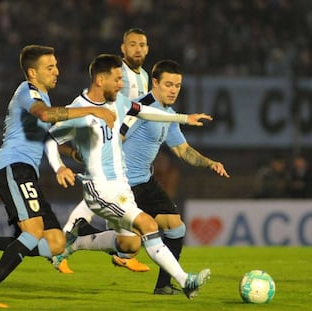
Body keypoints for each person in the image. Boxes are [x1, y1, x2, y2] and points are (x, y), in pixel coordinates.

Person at [0, 45, 116, 308]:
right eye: (49, 67)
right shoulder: (27, 91)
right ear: (32, 72)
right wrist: (91, 110)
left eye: (56, 66)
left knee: (55, 242)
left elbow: (45, 136)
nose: (56, 71)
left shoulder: (43, 97)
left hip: (26, 171)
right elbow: (45, 115)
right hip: (12, 167)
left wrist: (73, 156)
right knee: (33, 232)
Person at [53, 59, 230, 295]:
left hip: (144, 182)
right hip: (121, 184)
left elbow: (182, 150)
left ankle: (164, 286)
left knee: (173, 228)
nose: (173, 90)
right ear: (154, 83)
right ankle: (73, 240)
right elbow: (117, 136)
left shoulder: (167, 114)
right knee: (133, 242)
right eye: (168, 84)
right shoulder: (138, 107)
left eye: (177, 85)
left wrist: (210, 163)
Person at [59, 27, 151, 273]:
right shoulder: (118, 75)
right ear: (123, 49)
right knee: (102, 195)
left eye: (142, 44)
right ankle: (64, 241)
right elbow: (122, 107)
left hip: (122, 144)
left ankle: (120, 251)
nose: (138, 49)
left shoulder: (143, 78)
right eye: (133, 44)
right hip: (113, 144)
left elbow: (135, 111)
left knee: (114, 208)